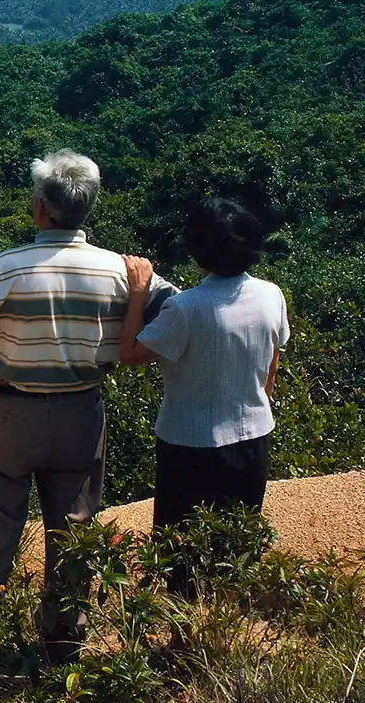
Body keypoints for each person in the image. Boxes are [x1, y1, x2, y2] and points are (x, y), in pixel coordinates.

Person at [0, 150, 174, 674]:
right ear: (88, 207)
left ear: (40, 208)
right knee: (74, 528)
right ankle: (64, 642)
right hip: (81, 410)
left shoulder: (4, 270)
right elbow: (179, 317)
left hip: (10, 413)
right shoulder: (119, 271)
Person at [119, 197, 289, 533]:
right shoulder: (272, 295)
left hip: (189, 446)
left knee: (183, 549)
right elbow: (272, 359)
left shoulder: (184, 308)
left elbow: (130, 354)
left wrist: (138, 292)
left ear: (196, 248)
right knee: (237, 544)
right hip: (253, 439)